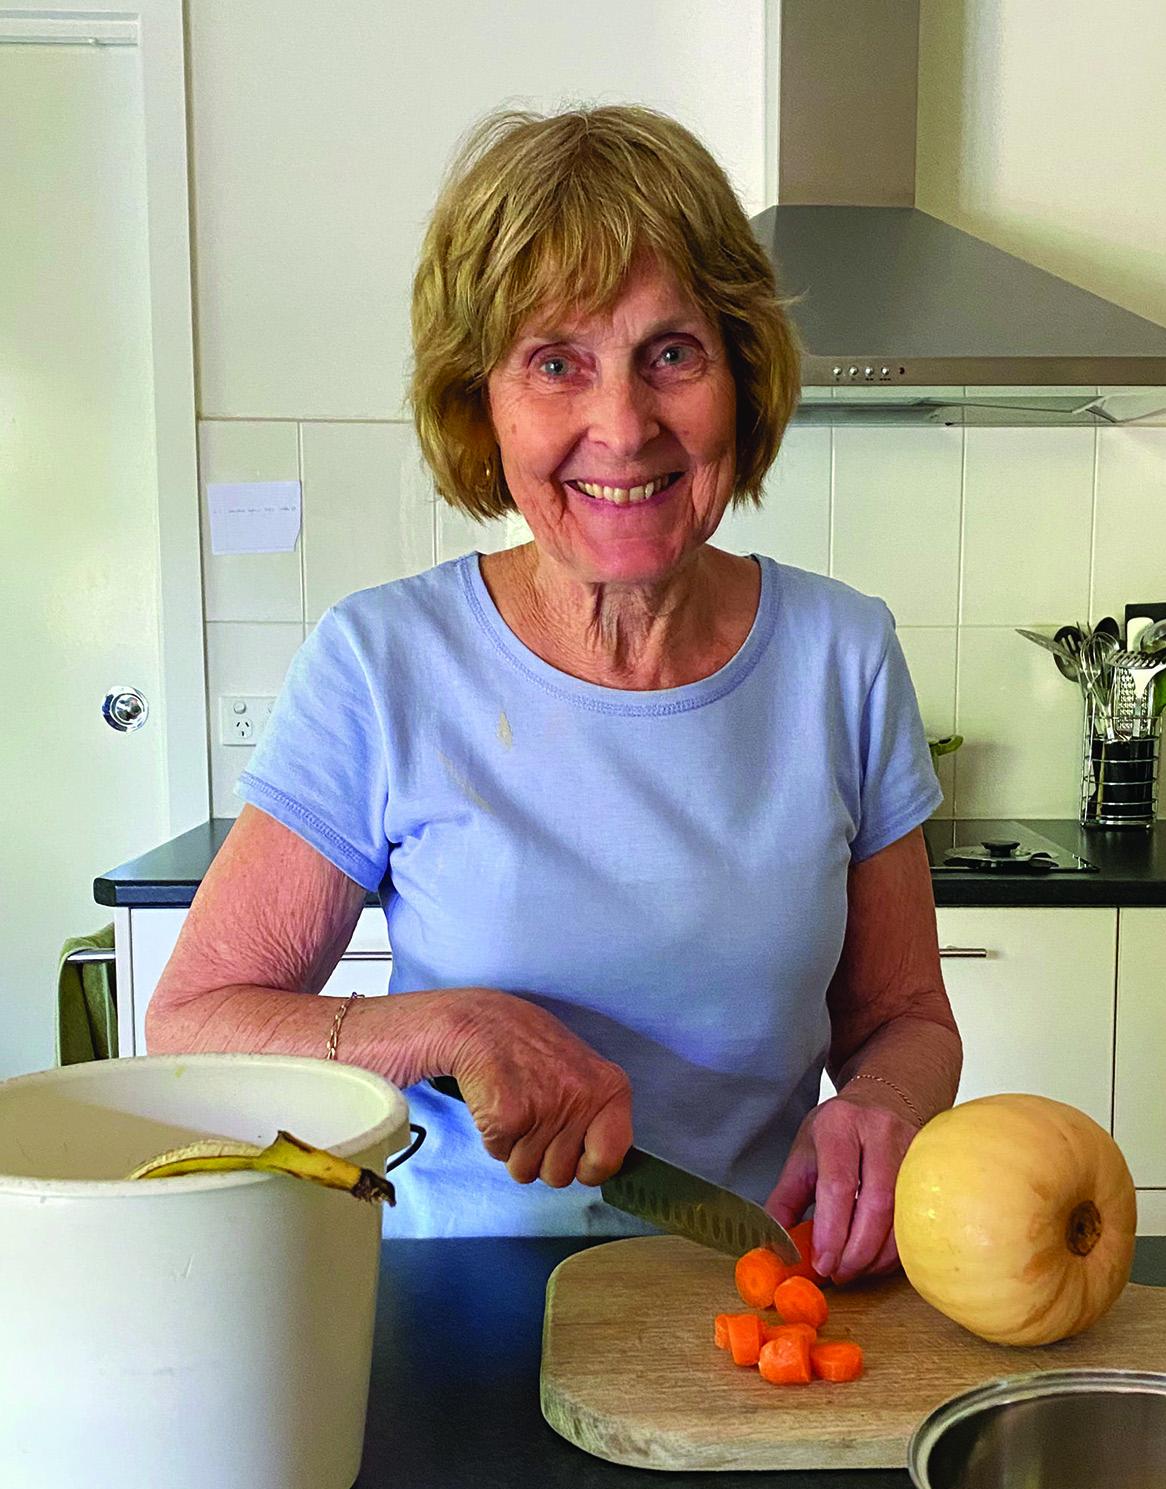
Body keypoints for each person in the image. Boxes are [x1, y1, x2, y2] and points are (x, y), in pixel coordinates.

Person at [147, 105, 962, 1278]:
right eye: (554, 362)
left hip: (761, 1296)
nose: (621, 428)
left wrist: (880, 1105)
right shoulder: (383, 661)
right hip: (453, 1307)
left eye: (670, 352)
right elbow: (192, 1021)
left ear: (738, 372)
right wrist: (442, 1024)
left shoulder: (843, 655)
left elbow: (903, 1020)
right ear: (482, 402)